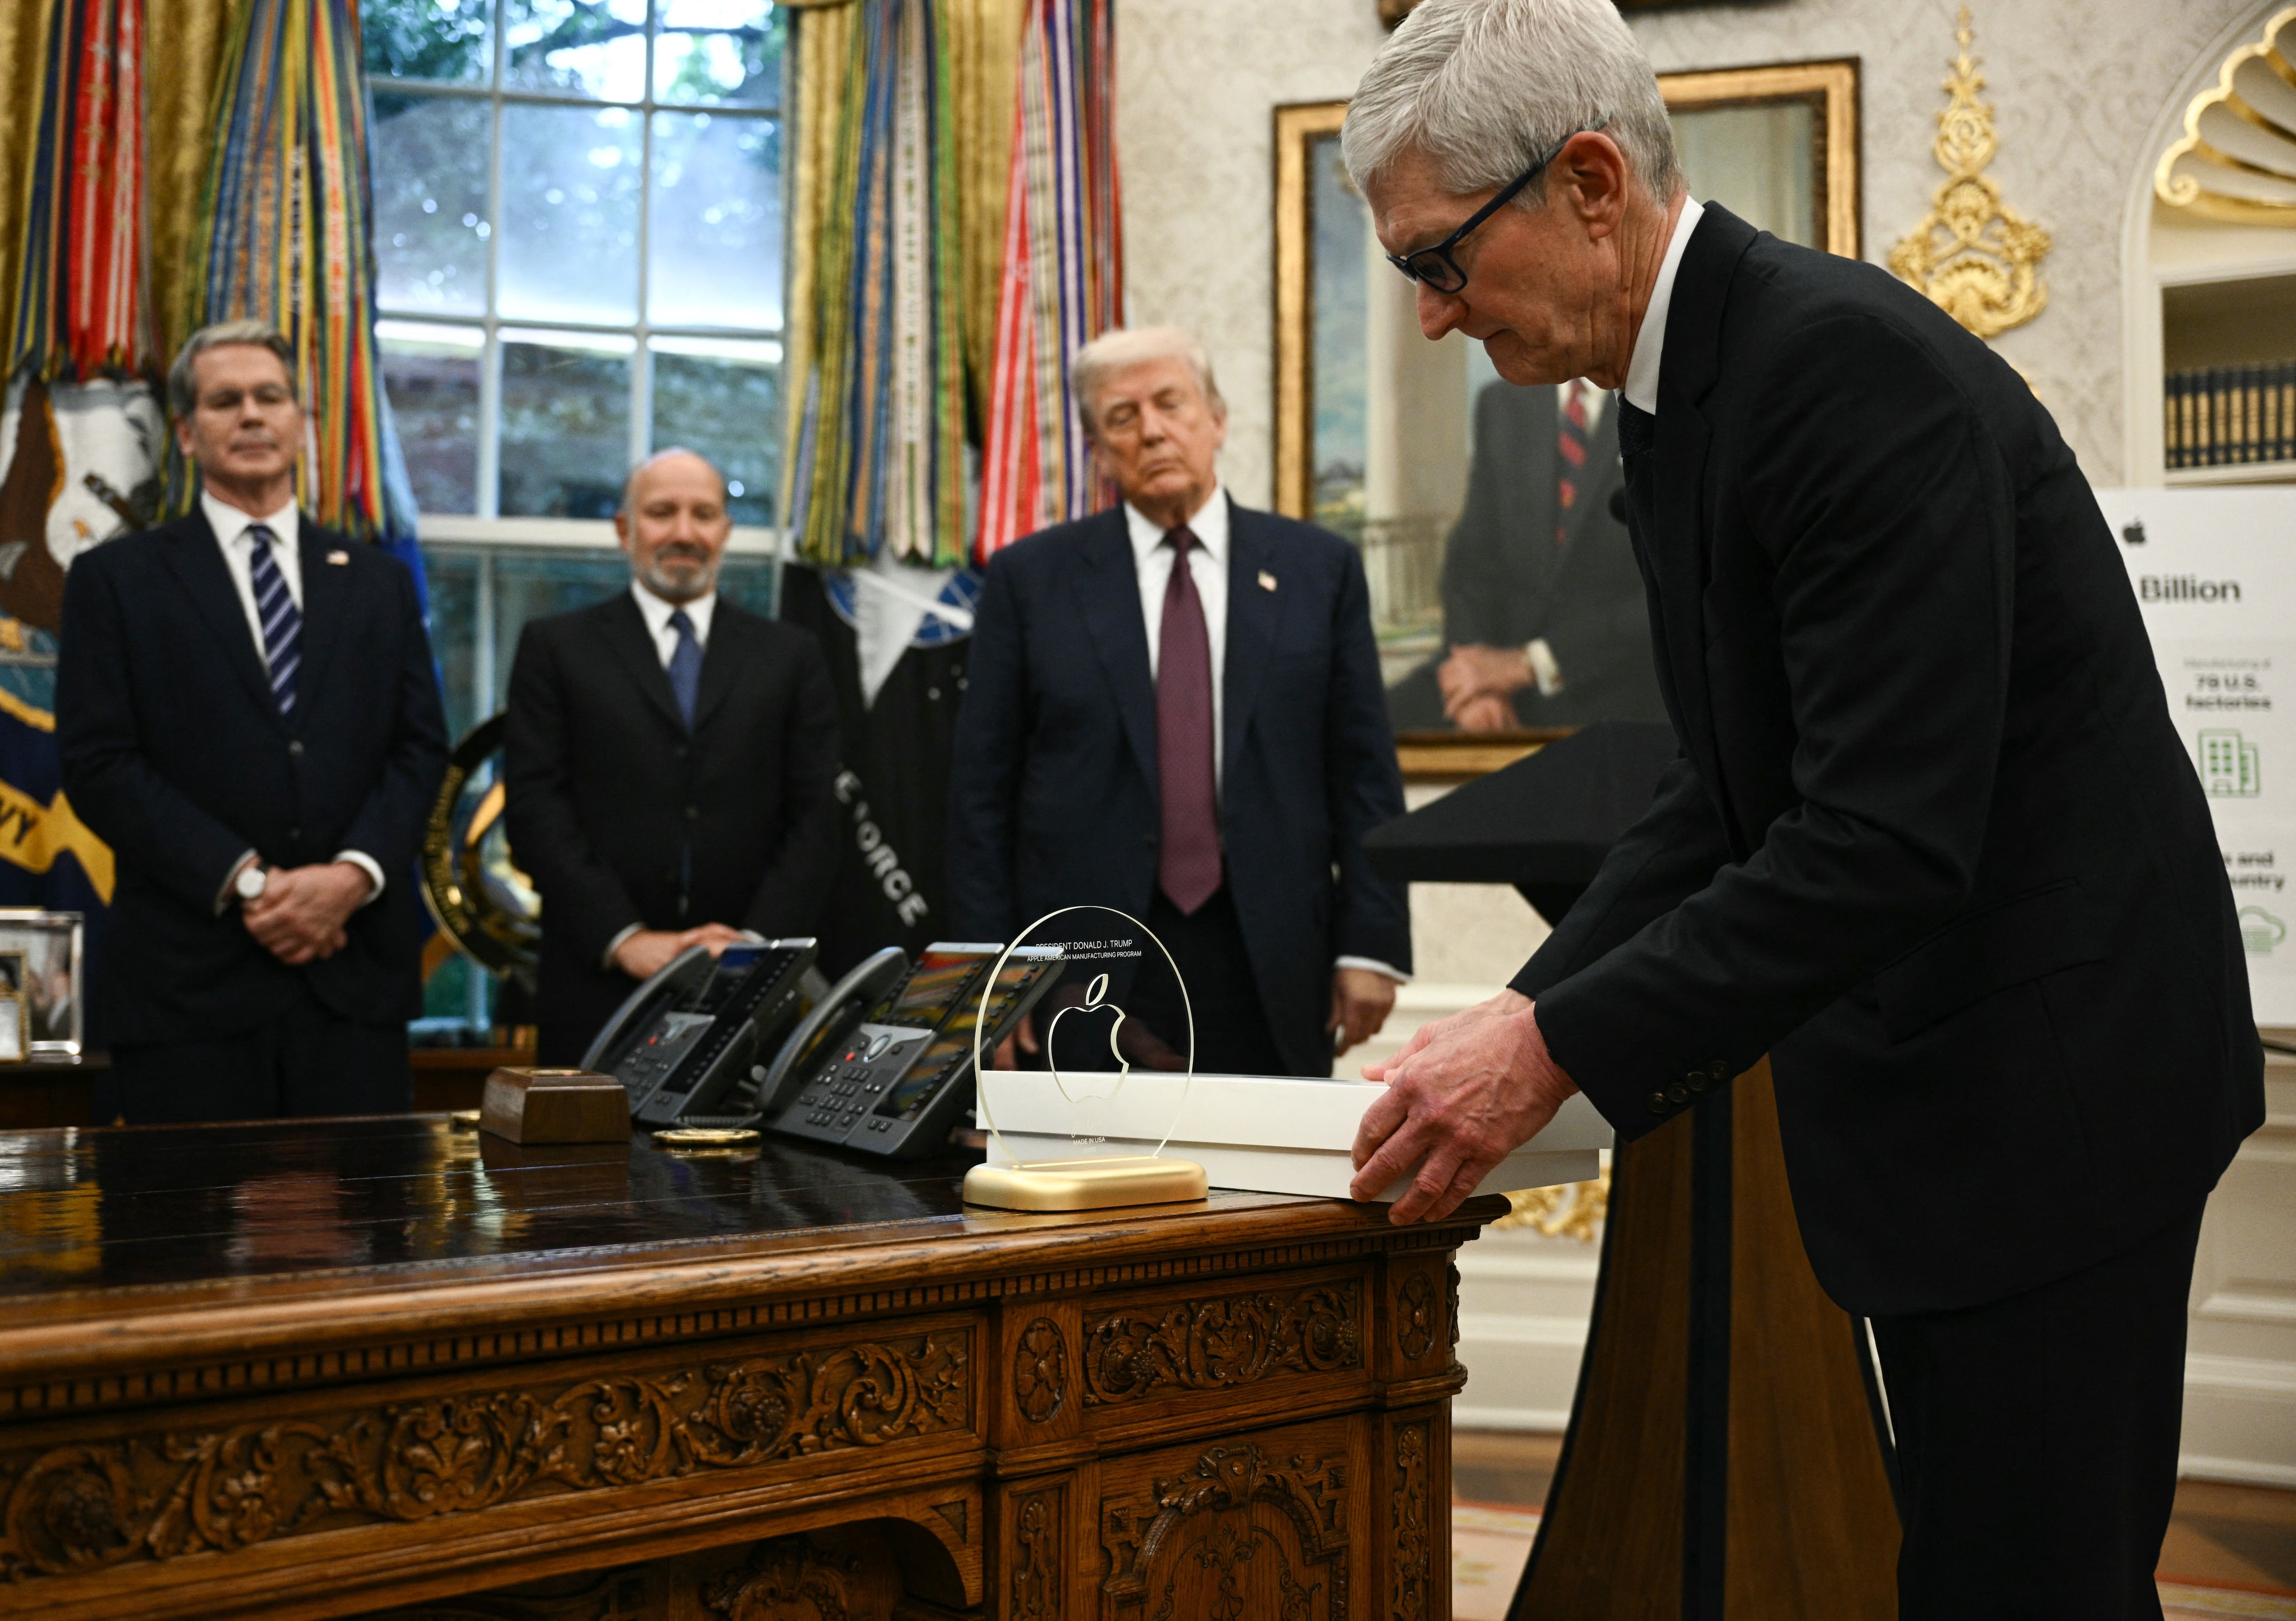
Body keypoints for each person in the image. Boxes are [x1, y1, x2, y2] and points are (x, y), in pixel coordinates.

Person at [1336, 2, 2264, 1614]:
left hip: (2055, 1093)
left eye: (1438, 261)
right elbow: (1728, 791)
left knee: (2029, 1586)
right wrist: (1533, 1005)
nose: (1431, 319)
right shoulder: (1683, 390)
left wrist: (1552, 1048)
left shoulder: (1839, 374)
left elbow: (1879, 837)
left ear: (1596, 183)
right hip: (1968, 1096)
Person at [950, 326, 1410, 1077]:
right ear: (1099, 449)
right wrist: (987, 978)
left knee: (1269, 1190)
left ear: (1217, 420)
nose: (1153, 429)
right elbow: (979, 796)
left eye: (1171, 403)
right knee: (1091, 1193)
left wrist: (1374, 941)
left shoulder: (1317, 570)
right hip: (1080, 966)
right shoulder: (1029, 580)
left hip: (1274, 957)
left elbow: (1363, 773)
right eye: (1123, 417)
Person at [57, 320, 448, 1121]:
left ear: (303, 423)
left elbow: (419, 750)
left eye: (270, 397)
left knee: (366, 1242)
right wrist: (255, 884)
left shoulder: (378, 582)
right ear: (187, 433)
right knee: (187, 1242)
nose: (251, 415)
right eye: (225, 400)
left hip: (353, 984)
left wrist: (350, 879)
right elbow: (101, 763)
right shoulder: (116, 578)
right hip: (188, 989)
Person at [504, 449, 840, 1066]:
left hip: (750, 991)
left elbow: (817, 816)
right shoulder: (556, 648)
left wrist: (752, 945)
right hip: (598, 985)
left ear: (725, 532)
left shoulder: (791, 656)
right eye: (662, 512)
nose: (684, 532)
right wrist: (626, 939)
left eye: (703, 514)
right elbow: (532, 809)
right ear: (624, 530)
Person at [1392, 376, 1664, 732]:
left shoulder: (1664, 399)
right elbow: (1470, 566)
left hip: (1615, 678)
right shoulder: (1501, 402)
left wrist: (1532, 664)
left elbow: (1671, 594)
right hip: (1496, 673)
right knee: (1362, 724)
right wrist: (1477, 685)